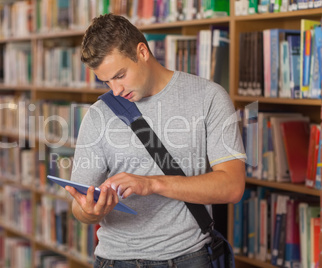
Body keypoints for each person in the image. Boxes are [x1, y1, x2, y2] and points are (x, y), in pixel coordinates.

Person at [65, 13, 246, 268]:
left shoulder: (208, 97)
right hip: (116, 260)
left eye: (119, 75)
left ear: (142, 52)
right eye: (106, 81)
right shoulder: (98, 114)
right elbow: (79, 205)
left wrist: (151, 184)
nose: (115, 90)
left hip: (190, 257)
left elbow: (232, 186)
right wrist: (88, 212)